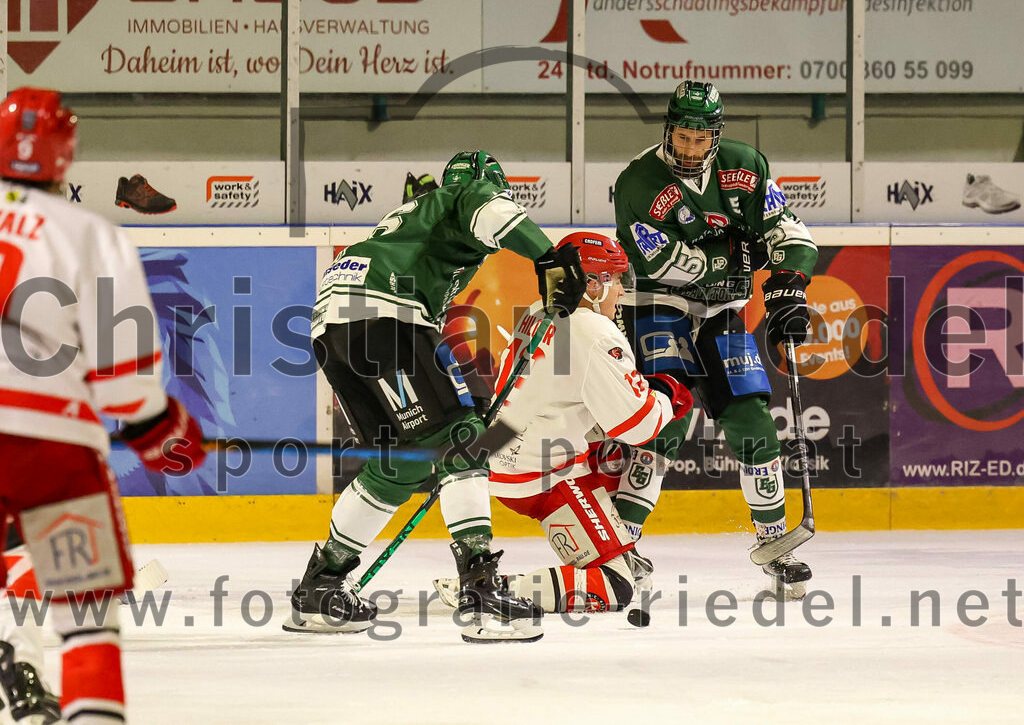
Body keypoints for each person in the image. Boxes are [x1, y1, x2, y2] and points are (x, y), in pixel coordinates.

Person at [290, 150, 586, 642]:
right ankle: (481, 590)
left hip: (332, 329)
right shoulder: (462, 195)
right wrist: (549, 258)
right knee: (466, 440)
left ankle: (321, 588)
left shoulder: (411, 219)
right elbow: (488, 206)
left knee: (399, 463)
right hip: (383, 319)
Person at [0, 87, 207, 723]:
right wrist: (159, 431)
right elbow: (125, 377)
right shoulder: (89, 234)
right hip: (52, 448)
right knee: (88, 624)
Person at [612, 80, 818, 598]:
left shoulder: (746, 166)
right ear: (667, 130)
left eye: (699, 139)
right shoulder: (638, 181)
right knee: (667, 417)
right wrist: (735, 257)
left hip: (723, 309)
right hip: (656, 303)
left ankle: (776, 543)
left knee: (749, 416)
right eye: (680, 136)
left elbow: (784, 228)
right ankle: (617, 547)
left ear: (716, 135)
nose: (688, 148)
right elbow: (664, 262)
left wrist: (791, 282)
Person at [435, 232, 692, 615]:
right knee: (615, 585)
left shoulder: (538, 311)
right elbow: (638, 425)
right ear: (591, 284)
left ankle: (615, 537)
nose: (621, 290)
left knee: (609, 446)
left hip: (506, 455)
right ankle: (488, 587)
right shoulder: (593, 330)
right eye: (616, 279)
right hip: (548, 476)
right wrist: (667, 399)